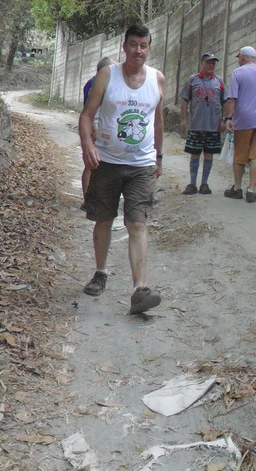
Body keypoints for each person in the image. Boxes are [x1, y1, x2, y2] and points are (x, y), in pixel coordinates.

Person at [78, 24, 165, 314]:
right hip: (107, 162)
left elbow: (158, 121)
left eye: (143, 45)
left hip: (141, 165)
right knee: (103, 219)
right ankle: (100, 272)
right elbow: (87, 115)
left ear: (149, 48)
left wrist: (159, 156)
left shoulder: (157, 79)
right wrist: (87, 145)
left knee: (137, 223)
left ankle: (140, 289)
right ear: (124, 47)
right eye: (133, 45)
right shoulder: (107, 75)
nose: (138, 50)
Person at [221, 46, 256, 204]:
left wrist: (228, 118)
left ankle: (237, 188)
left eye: (239, 57)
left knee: (240, 156)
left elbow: (232, 99)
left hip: (244, 120)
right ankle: (251, 189)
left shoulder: (238, 73)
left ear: (242, 57)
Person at [179, 52, 226, 195]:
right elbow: (185, 100)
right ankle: (192, 183)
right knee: (194, 155)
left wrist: (224, 120)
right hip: (196, 125)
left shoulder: (219, 81)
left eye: (213, 63)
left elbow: (225, 101)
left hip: (213, 126)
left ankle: (204, 184)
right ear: (202, 63)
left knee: (209, 155)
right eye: (208, 62)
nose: (211, 65)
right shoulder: (192, 80)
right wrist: (183, 119)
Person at [81, 56, 114, 196]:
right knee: (91, 164)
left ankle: (93, 197)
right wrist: (93, 129)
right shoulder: (95, 84)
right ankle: (88, 197)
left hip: (102, 128)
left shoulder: (93, 83)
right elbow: (89, 111)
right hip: (96, 128)